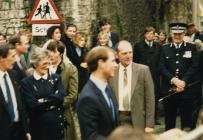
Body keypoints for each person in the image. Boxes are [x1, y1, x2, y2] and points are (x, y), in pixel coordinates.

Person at [160, 22, 201, 130]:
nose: (177, 36)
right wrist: (173, 80)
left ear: (184, 34)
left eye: (180, 34)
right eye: (175, 34)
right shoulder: (164, 48)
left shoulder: (191, 47)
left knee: (186, 124)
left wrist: (183, 81)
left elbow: (194, 66)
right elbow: (162, 67)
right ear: (171, 34)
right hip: (169, 91)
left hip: (186, 91)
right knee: (169, 124)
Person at [109, 40, 155, 132]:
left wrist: (149, 124)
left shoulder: (143, 70)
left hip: (138, 120)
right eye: (124, 53)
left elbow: (150, 98)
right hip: (117, 120)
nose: (128, 56)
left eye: (130, 52)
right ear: (117, 55)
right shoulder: (111, 71)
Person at [20, 47, 65, 140]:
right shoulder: (26, 83)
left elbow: (60, 97)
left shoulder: (56, 78)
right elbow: (32, 105)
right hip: (38, 129)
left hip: (56, 128)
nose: (47, 66)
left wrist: (42, 100)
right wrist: (52, 100)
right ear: (35, 64)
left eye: (49, 63)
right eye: (44, 63)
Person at [77, 47, 118, 140]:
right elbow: (91, 136)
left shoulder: (108, 88)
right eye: (112, 61)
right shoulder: (87, 98)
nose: (116, 65)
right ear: (101, 63)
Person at [46, 40, 79, 140]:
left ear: (60, 53)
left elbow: (73, 95)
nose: (51, 55)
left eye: (54, 52)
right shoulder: (43, 67)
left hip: (63, 113)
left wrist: (56, 104)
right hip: (44, 114)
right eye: (49, 51)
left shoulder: (70, 69)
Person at [0, 42, 31, 140]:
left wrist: (26, 130)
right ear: (1, 58)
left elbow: (20, 104)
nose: (15, 60)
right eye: (12, 56)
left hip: (19, 131)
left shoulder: (14, 75)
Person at [133, 26, 161, 125]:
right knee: (143, 96)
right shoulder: (138, 46)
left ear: (154, 35)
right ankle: (143, 117)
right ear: (145, 35)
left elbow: (160, 61)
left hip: (154, 75)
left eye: (152, 33)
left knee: (154, 96)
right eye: (148, 33)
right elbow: (135, 61)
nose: (150, 35)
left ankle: (154, 117)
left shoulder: (158, 46)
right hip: (142, 75)